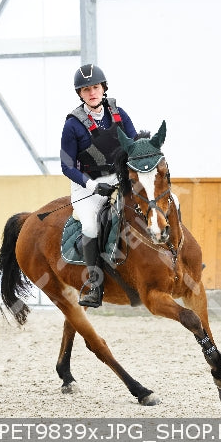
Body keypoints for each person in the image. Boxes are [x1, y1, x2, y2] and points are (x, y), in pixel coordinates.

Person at [60, 64, 138, 308]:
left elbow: (134, 146)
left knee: (151, 206)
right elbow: (67, 166)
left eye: (95, 87)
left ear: (103, 88)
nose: (91, 92)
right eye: (85, 90)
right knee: (92, 226)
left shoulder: (119, 114)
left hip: (118, 178)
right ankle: (95, 285)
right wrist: (92, 185)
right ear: (80, 94)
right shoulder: (73, 124)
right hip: (87, 186)